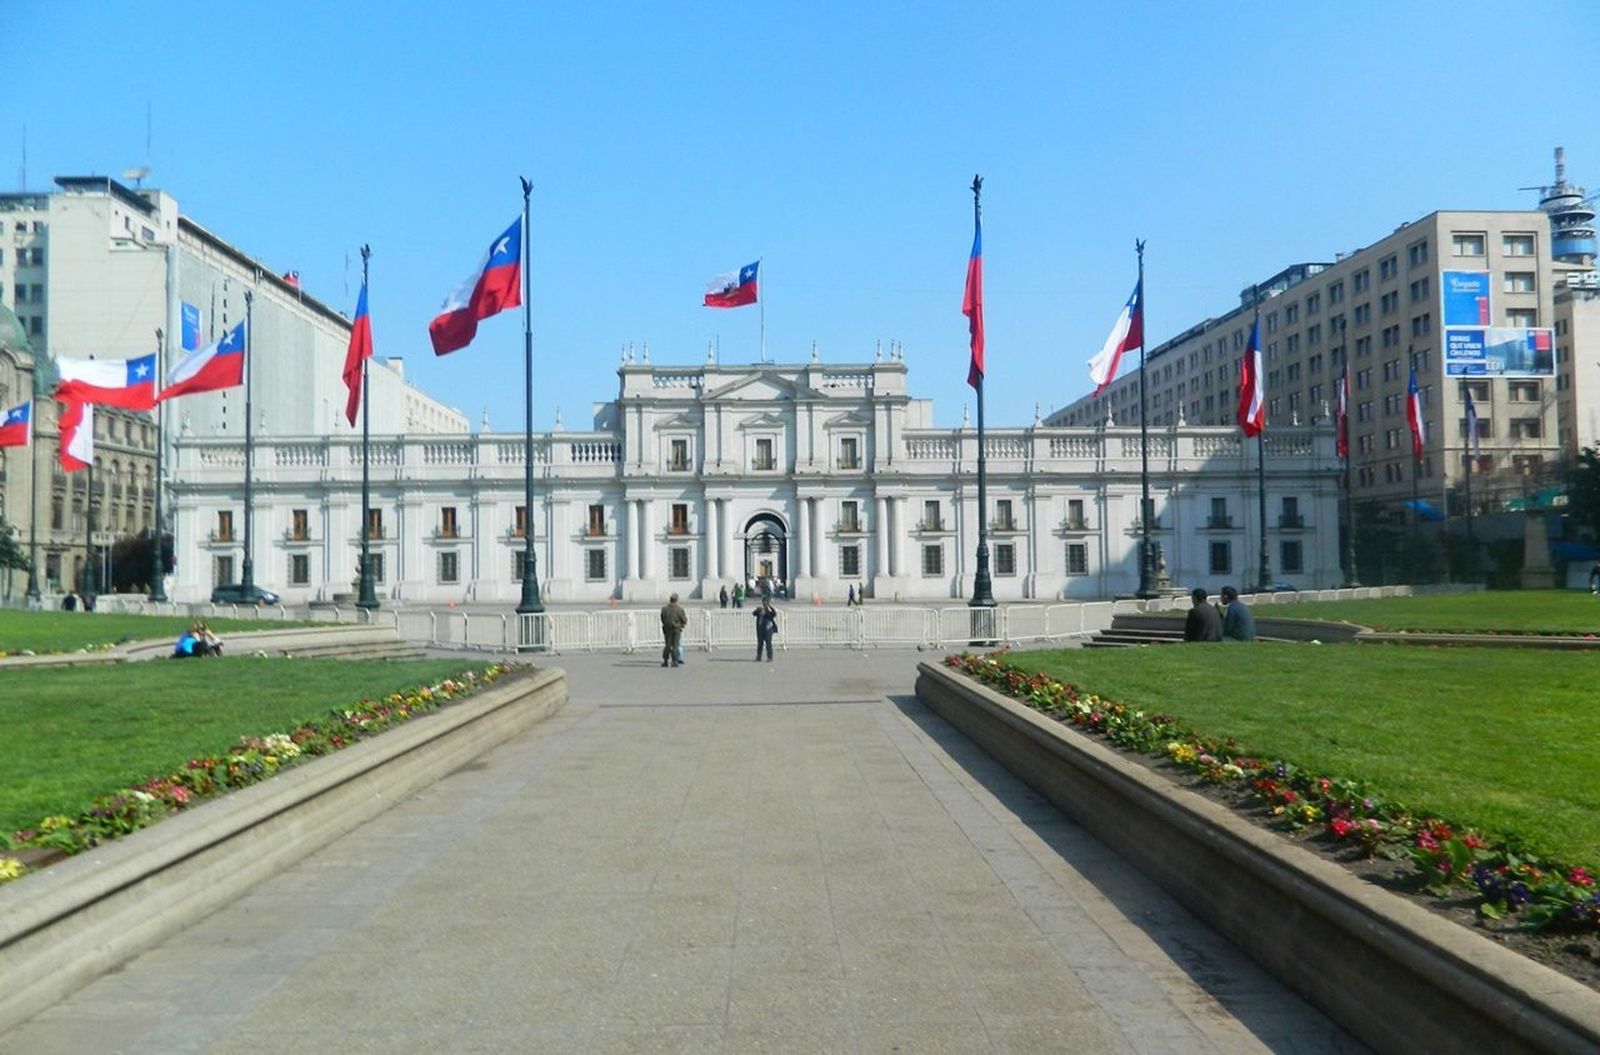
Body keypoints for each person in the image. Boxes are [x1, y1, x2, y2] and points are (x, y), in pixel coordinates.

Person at [659, 592, 688, 667]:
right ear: (677, 600)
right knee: (675, 645)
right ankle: (674, 661)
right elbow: (684, 619)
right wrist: (681, 625)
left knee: (667, 645)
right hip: (676, 629)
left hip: (667, 629)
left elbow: (662, 618)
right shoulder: (679, 609)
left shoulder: (664, 609)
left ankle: (665, 660)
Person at [753, 597, 779, 661]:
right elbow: (754, 614)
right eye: (764, 602)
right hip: (760, 629)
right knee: (760, 644)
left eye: (766, 602)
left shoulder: (770, 610)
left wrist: (769, 607)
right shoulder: (760, 609)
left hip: (768, 629)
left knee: (768, 644)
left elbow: (774, 614)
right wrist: (757, 610)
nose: (764, 603)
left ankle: (769, 657)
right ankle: (759, 656)